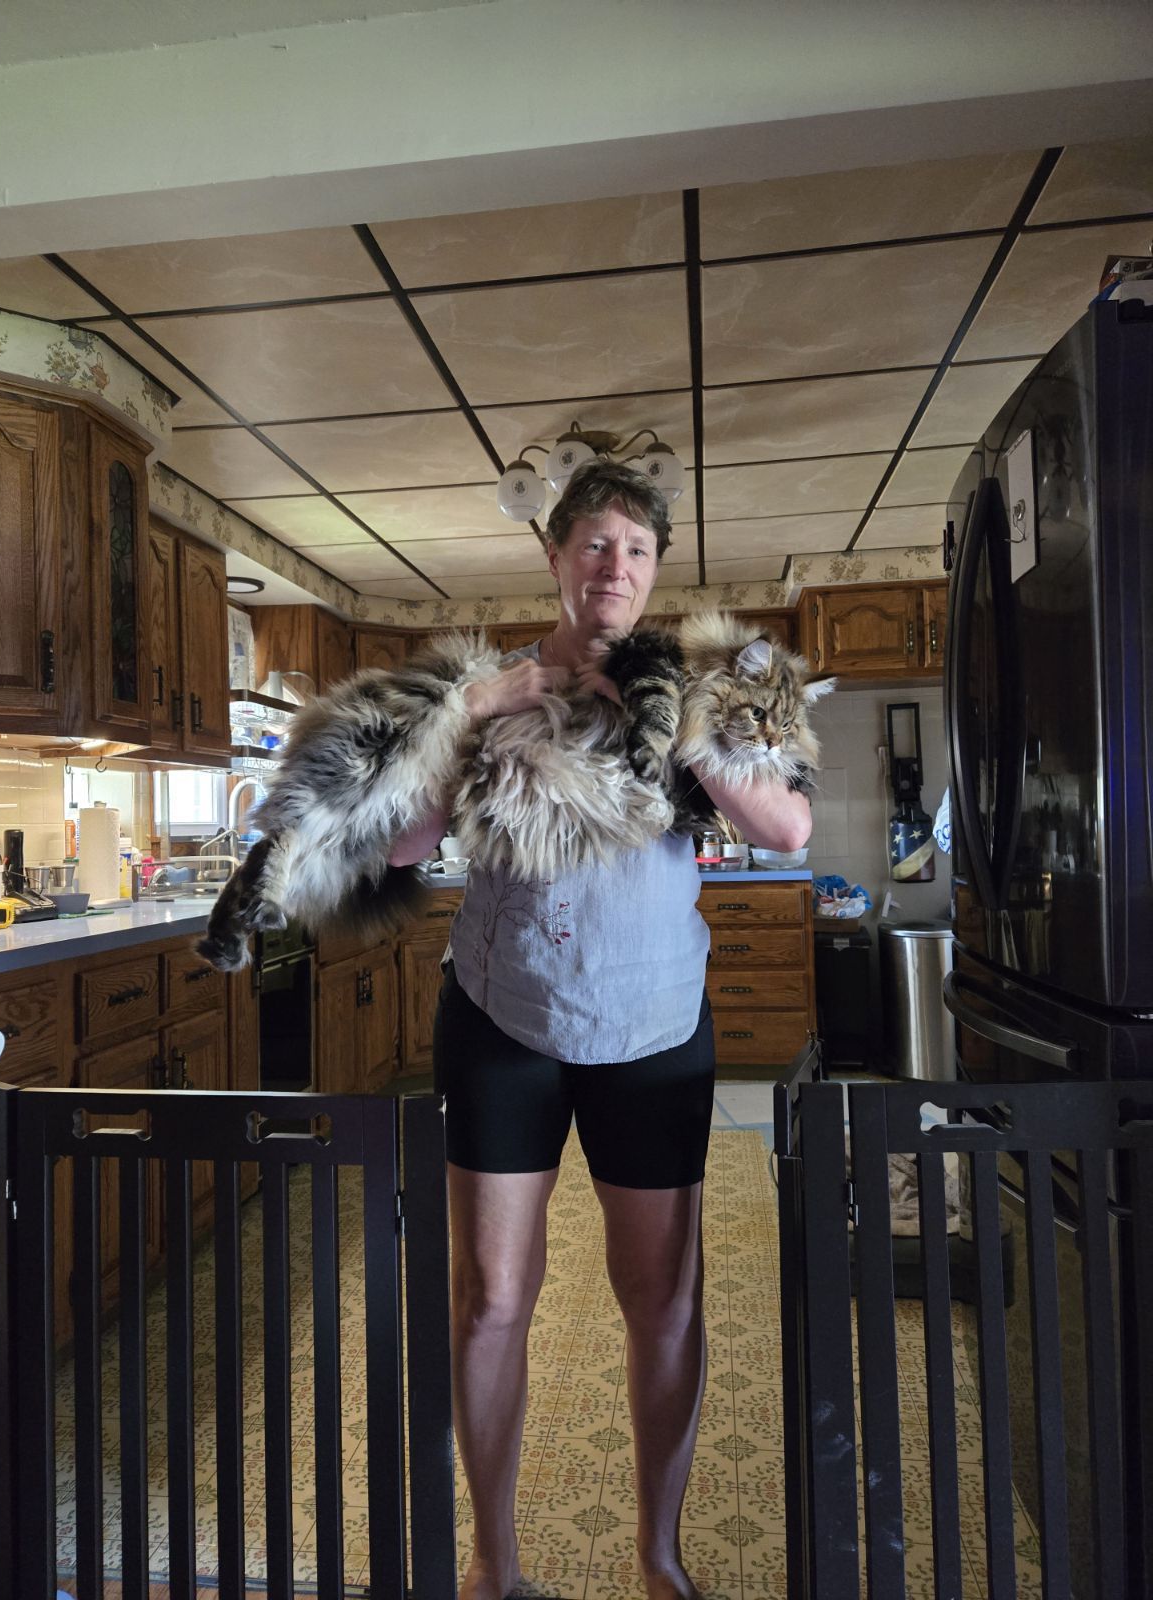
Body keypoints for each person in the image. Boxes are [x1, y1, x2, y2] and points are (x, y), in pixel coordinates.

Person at [389, 459, 811, 1600]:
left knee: (662, 1298)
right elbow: (401, 842)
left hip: (653, 1021)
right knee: (490, 1298)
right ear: (556, 556)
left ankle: (657, 1553)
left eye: (636, 549)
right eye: (593, 543)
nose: (613, 566)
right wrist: (481, 703)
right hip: (502, 1016)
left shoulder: (703, 691)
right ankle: (494, 1563)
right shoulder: (493, 685)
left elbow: (785, 826)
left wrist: (670, 718)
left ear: (656, 569)